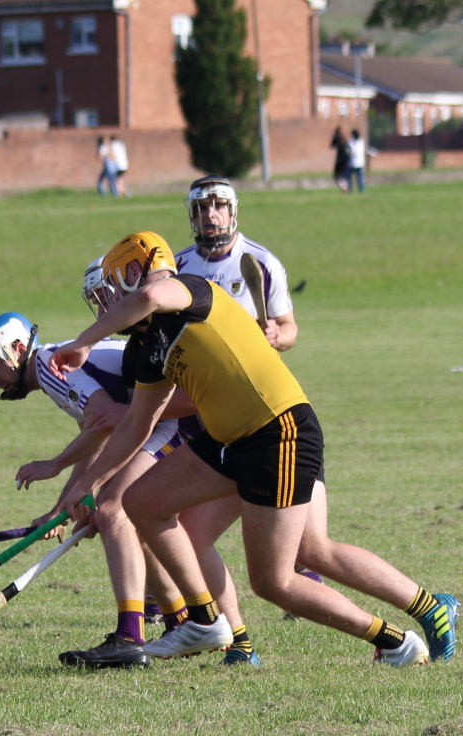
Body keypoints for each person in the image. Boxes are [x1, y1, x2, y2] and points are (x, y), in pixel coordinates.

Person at [49, 231, 458, 668]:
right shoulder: (146, 349)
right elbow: (137, 424)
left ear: (135, 270)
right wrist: (87, 484)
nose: (107, 304)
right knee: (141, 502)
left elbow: (150, 295)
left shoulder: (191, 290)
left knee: (276, 580)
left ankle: (397, 638)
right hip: (230, 442)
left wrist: (84, 341)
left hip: (277, 432)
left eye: (111, 289)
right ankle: (206, 620)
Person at [0, 301, 193, 670]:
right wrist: (60, 509)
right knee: (124, 514)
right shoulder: (54, 366)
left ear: (19, 350)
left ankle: (131, 637)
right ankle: (179, 620)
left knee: (112, 510)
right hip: (165, 418)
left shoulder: (49, 365)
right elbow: (99, 439)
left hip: (180, 416)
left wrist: (57, 467)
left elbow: (103, 425)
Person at [172, 175, 300, 665]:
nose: (211, 215)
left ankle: (410, 621)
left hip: (262, 415)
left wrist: (274, 335)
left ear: (233, 211)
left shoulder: (263, 262)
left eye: (219, 206)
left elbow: (289, 330)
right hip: (200, 417)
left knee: (308, 552)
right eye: (202, 207)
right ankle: (231, 636)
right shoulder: (180, 268)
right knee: (181, 524)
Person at [331, 127, 350, 192]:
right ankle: (346, 188)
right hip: (345, 161)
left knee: (337, 176)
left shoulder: (337, 139)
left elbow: (332, 145)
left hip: (340, 161)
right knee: (343, 176)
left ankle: (345, 188)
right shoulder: (344, 140)